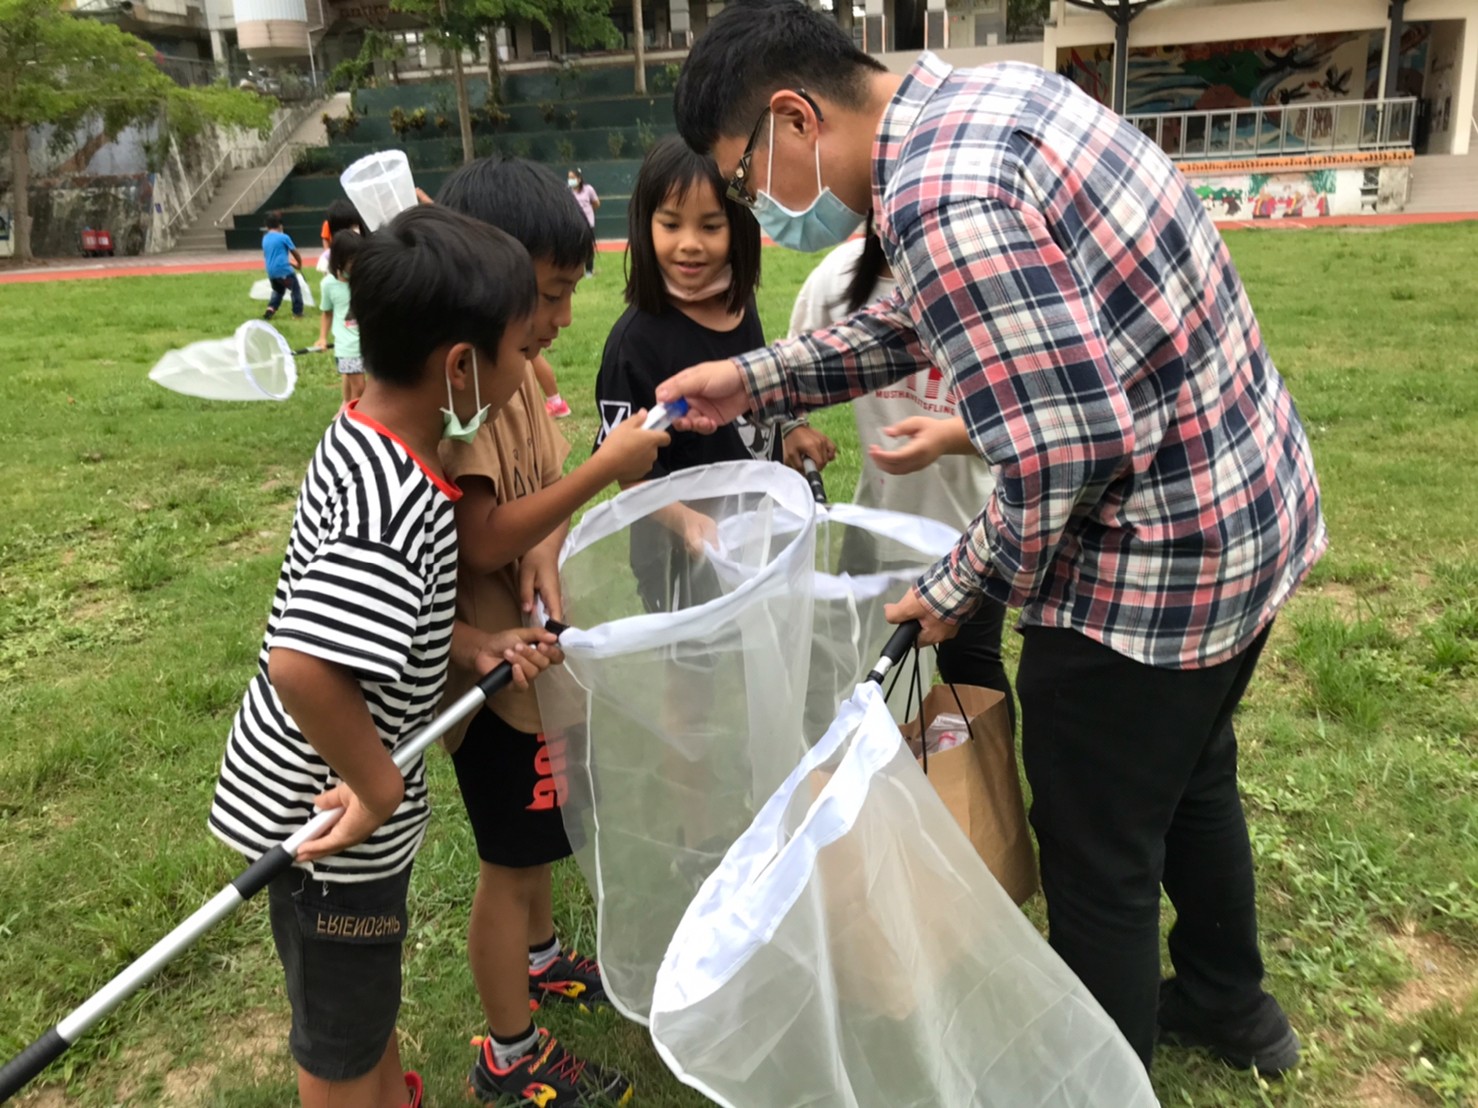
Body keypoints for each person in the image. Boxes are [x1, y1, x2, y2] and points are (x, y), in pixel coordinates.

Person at [658, 0, 1327, 1077]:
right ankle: (1227, 1001)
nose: (753, 205)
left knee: (1095, 852)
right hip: (1246, 517)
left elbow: (1064, 450)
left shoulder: (939, 194)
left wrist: (956, 583)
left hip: (1148, 571)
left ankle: (1103, 1080)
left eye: (743, 178)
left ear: (791, 117)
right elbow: (928, 318)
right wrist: (754, 377)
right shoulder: (980, 105)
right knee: (1192, 769)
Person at [209, 205, 562, 1108]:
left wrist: (472, 640)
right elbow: (305, 665)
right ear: (459, 367)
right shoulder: (395, 507)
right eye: (520, 349)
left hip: (335, 809)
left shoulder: (371, 436)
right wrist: (377, 789)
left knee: (365, 1002)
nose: (529, 368)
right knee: (338, 1039)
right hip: (324, 830)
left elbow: (378, 618)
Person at [434, 154, 669, 1108]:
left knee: (540, 838)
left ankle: (541, 955)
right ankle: (509, 1055)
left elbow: (535, 503)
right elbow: (484, 527)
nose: (564, 320)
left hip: (536, 657)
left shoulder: (519, 372)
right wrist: (607, 471)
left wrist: (550, 545)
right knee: (509, 855)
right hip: (489, 681)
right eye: (549, 296)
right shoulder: (466, 395)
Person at [787, 227, 1013, 730]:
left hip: (971, 532)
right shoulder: (838, 281)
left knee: (968, 672)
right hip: (878, 526)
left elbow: (1037, 425)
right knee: (852, 659)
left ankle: (978, 794)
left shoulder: (988, 278)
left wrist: (950, 436)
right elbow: (791, 373)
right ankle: (860, 776)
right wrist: (795, 426)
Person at [593, 135, 828, 558]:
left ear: (738, 227)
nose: (689, 243)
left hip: (753, 533)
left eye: (710, 226)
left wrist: (788, 428)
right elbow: (627, 470)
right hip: (681, 556)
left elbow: (756, 399)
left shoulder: (742, 307)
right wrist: (684, 519)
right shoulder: (634, 344)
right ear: (645, 225)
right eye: (670, 224)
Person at [313, 230, 365, 404]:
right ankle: (354, 422)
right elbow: (327, 313)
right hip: (346, 348)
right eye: (351, 260)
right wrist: (322, 338)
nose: (356, 263)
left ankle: (345, 408)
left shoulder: (364, 279)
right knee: (360, 388)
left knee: (359, 385)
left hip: (367, 344)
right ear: (339, 259)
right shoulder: (328, 284)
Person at [261, 212, 303, 321]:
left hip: (271, 272)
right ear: (280, 225)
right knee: (295, 289)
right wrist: (299, 263)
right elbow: (295, 252)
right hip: (284, 271)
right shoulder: (284, 237)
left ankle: (271, 308)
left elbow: (267, 255)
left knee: (278, 291)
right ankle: (297, 313)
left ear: (266, 226)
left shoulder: (265, 239)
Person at [566, 168, 600, 278]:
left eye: (573, 178)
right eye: (569, 178)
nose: (570, 180)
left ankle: (589, 271)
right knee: (574, 247)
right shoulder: (567, 191)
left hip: (587, 224)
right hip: (574, 224)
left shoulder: (588, 189)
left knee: (588, 248)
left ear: (579, 179)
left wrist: (588, 213)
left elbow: (596, 203)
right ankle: (575, 271)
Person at [318, 197, 363, 274]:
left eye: (356, 226)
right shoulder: (329, 258)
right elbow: (325, 238)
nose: (356, 231)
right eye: (352, 228)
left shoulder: (364, 250)